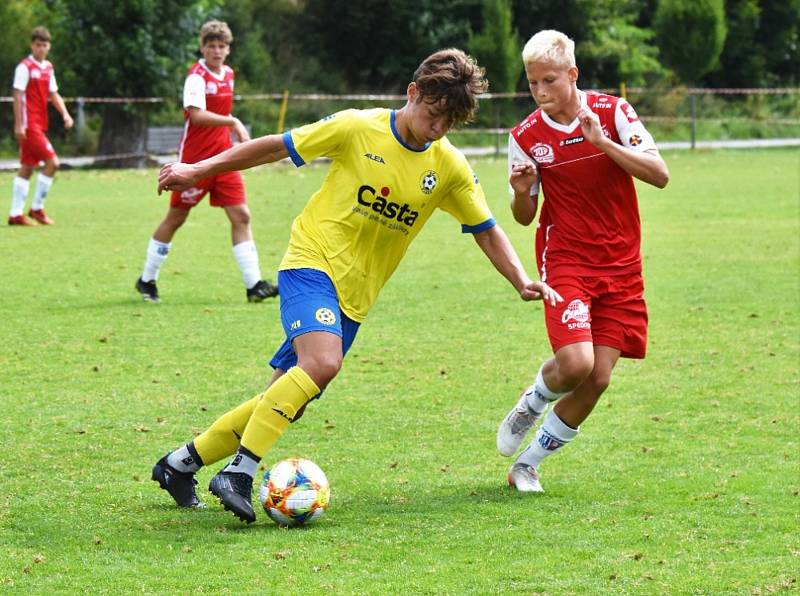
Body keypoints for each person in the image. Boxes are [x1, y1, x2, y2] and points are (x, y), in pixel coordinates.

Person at [151, 48, 562, 522]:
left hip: (357, 295)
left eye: (448, 122)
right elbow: (273, 146)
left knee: (284, 400)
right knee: (323, 362)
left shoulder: (447, 166)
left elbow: (486, 227)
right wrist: (197, 170)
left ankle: (180, 464)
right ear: (412, 93)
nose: (436, 128)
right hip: (311, 261)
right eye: (432, 114)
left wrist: (520, 280)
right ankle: (240, 472)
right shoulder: (356, 126)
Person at [496, 30, 669, 493]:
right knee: (574, 365)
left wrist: (603, 143)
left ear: (573, 74)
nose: (541, 92)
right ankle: (532, 401)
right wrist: (519, 191)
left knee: (598, 379)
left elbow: (660, 175)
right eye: (533, 84)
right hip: (567, 259)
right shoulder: (526, 137)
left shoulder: (613, 114)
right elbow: (524, 215)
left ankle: (526, 466)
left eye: (549, 80)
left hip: (622, 264)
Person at [135, 20, 277, 304]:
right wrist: (233, 121)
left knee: (242, 216)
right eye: (211, 46)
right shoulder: (196, 77)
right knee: (176, 218)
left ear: (228, 49)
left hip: (224, 159)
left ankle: (254, 285)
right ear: (202, 47)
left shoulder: (228, 74)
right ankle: (146, 280)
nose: (216, 51)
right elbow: (196, 115)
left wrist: (230, 136)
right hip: (194, 163)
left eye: (221, 46)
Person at [8, 26, 73, 226]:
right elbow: (17, 96)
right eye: (38, 45)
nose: (41, 49)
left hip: (39, 123)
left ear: (49, 46)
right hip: (29, 125)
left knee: (27, 167)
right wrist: (19, 125)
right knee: (53, 163)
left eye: (44, 45)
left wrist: (65, 113)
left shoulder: (48, 68)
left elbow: (53, 94)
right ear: (32, 45)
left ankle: (15, 214)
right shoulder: (24, 67)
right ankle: (37, 208)